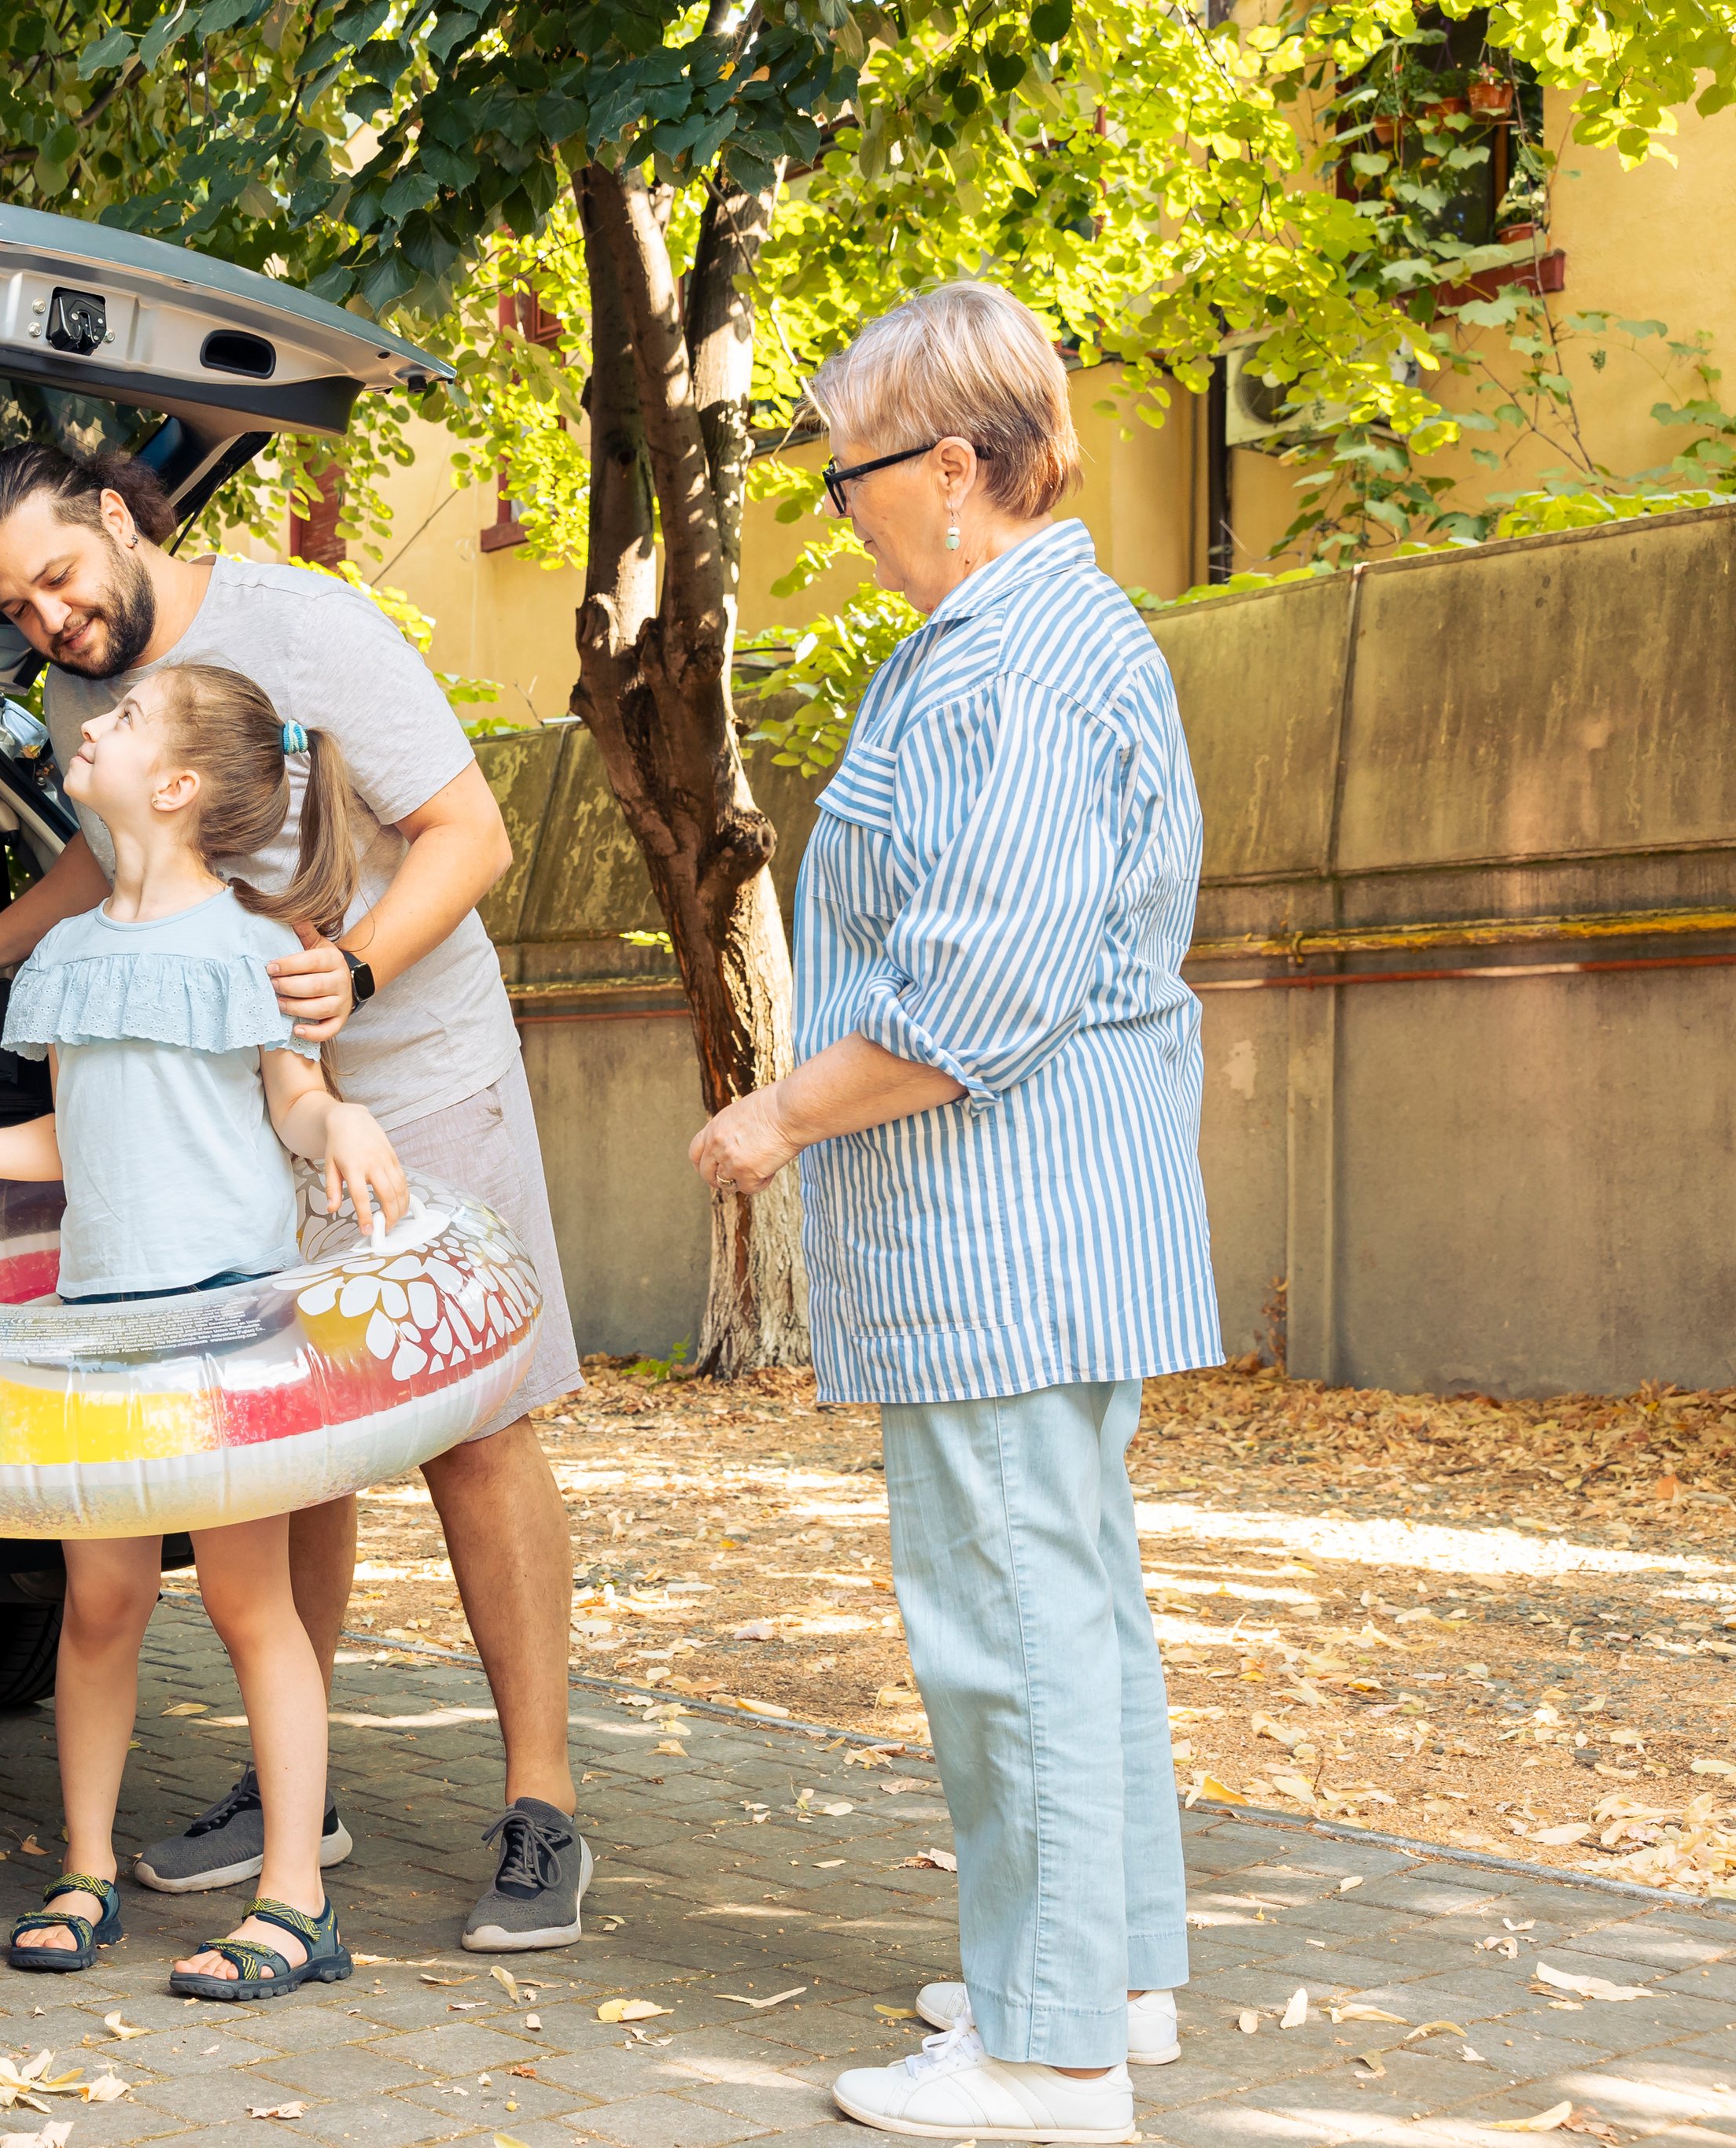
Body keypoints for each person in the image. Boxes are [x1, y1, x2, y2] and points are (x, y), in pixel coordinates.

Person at [0, 443, 588, 1951]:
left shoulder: (311, 631)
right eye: (17, 608)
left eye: (59, 578)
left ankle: (539, 1807)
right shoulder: (86, 702)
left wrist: (352, 973)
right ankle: (305, 1792)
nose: (50, 621)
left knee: (475, 1428)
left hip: (409, 1060)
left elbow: (467, 834)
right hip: (253, 1082)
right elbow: (118, 866)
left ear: (114, 517)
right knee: (295, 1444)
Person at [687, 281, 1215, 2146]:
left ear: (961, 468)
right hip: (1047, 1220)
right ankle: (1105, 1975)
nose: (838, 507)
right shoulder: (1024, 636)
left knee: (1009, 1620)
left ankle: (1047, 2052)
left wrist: (773, 1112)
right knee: (1070, 1599)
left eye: (849, 477)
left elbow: (974, 989)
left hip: (1004, 1228)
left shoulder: (1010, 662)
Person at [0, 663, 409, 2000]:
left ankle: (295, 1896)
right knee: (95, 1602)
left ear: (171, 787)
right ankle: (87, 1867)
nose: (86, 723)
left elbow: (292, 1104)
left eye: (120, 721)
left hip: (224, 1320)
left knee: (243, 1600)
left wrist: (344, 1123)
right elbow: (83, 1130)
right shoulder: (64, 954)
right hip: (99, 1323)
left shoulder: (253, 949)